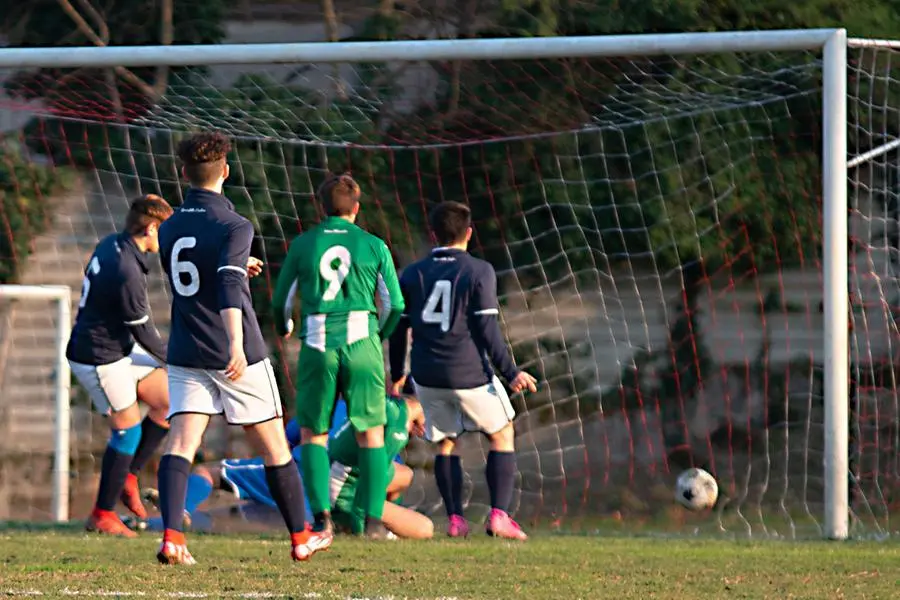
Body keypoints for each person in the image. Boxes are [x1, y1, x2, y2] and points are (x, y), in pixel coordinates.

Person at [155, 131, 329, 565]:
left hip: (186, 347)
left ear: (183, 173)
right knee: (274, 447)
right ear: (227, 172)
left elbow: (196, 273)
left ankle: (172, 538)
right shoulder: (235, 225)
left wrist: (235, 265)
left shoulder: (170, 224)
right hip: (236, 351)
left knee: (181, 443)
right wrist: (235, 343)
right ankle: (301, 538)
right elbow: (229, 286)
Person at [389, 201, 538, 540]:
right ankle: (499, 516)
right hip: (468, 372)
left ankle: (456, 519)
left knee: (444, 442)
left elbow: (399, 330)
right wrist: (510, 371)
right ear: (469, 233)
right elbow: (486, 328)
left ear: (432, 235)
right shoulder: (479, 270)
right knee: (502, 434)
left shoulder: (411, 273)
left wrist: (398, 373)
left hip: (426, 374)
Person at [271, 173, 404, 539]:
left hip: (317, 343)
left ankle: (321, 520)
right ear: (357, 208)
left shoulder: (303, 244)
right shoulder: (374, 244)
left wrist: (283, 325)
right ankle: (374, 524)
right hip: (363, 344)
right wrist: (378, 336)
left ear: (321, 206)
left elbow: (280, 301)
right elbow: (396, 304)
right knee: (371, 433)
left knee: (314, 434)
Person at [142, 395, 432, 540]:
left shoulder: (327, 403)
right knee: (415, 506)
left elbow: (282, 445)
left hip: (301, 484)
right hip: (344, 502)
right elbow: (393, 474)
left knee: (211, 474)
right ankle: (371, 523)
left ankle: (174, 515)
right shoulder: (382, 423)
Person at [67, 194, 173, 538]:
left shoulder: (112, 243)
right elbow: (142, 330)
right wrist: (176, 357)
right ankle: (102, 514)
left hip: (118, 350)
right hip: (98, 356)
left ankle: (129, 474)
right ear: (151, 228)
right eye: (165, 231)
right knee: (128, 429)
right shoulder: (127, 269)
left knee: (170, 401)